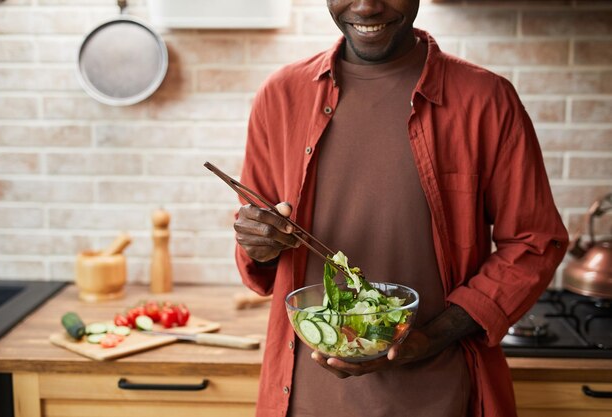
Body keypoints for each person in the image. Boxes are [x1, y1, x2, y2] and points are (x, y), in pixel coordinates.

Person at [232, 1, 568, 416]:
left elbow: (535, 243)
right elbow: (259, 255)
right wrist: (257, 242)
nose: (368, 6)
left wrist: (433, 336)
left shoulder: (487, 99)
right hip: (304, 398)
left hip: (439, 395)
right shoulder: (281, 94)